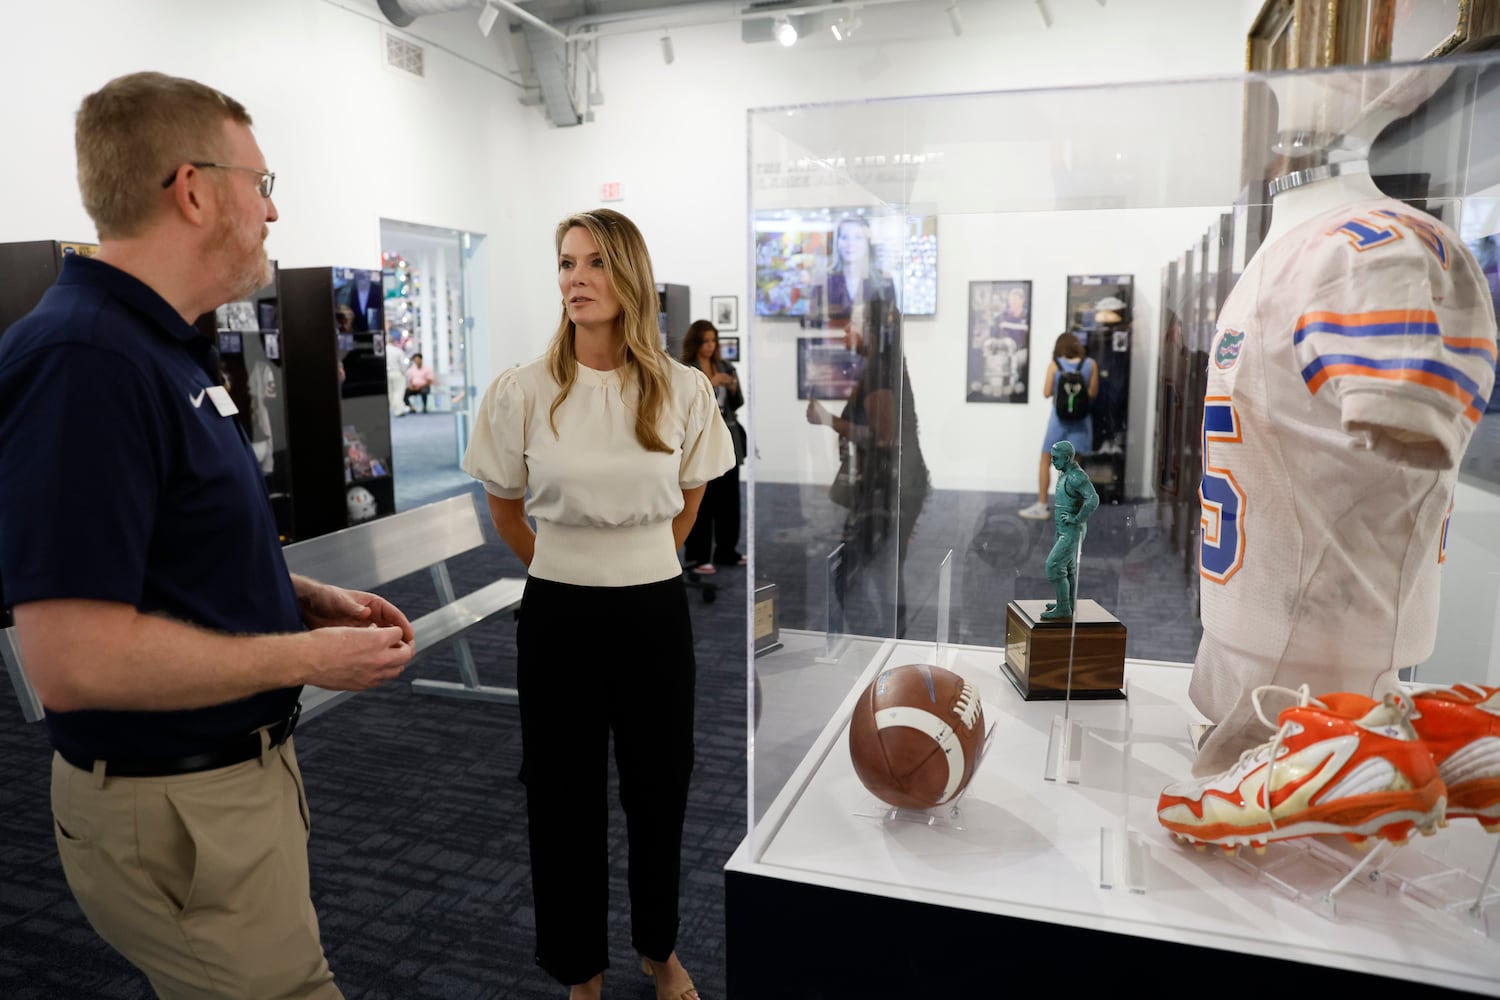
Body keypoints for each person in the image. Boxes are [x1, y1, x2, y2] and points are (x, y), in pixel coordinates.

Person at [0, 72, 416, 999]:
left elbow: (163, 555)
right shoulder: (86, 362)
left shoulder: (155, 347)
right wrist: (304, 654)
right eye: (260, 184)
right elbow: (73, 660)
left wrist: (295, 598)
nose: (273, 211)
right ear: (193, 190)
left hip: (217, 794)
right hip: (178, 806)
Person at [462, 208, 733, 1000]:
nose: (575, 279)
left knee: (660, 792)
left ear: (631, 278)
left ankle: (660, 949)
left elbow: (690, 501)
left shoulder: (682, 389)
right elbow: (505, 506)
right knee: (562, 800)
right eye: (566, 264)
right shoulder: (524, 389)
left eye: (594, 264)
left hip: (654, 615)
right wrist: (569, 567)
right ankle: (581, 970)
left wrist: (641, 561)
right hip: (559, 619)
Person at [806, 223, 930, 639]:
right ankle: (884, 646)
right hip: (890, 483)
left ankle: (879, 649)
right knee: (874, 571)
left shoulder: (879, 370)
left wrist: (827, 419)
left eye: (852, 324)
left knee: (862, 573)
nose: (845, 330)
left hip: (889, 485)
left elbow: (879, 437)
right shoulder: (881, 366)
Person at [680, 319, 746, 573]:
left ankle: (726, 551)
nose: (710, 346)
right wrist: (712, 382)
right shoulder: (687, 370)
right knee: (701, 500)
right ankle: (698, 556)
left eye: (713, 341)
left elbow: (737, 403)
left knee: (730, 501)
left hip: (729, 437)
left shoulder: (726, 366)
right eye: (705, 341)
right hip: (700, 441)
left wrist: (732, 385)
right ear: (696, 342)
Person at [1020, 331, 1098, 520]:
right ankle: (1073, 508)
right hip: (1081, 421)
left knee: (1046, 460)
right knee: (1075, 466)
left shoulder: (1054, 365)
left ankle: (1042, 505)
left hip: (1058, 421)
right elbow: (1093, 394)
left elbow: (1046, 392)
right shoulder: (1090, 364)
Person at [1040, 441, 1099, 620]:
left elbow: (1093, 499)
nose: (1052, 461)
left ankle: (1064, 608)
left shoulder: (1076, 477)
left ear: (1067, 458)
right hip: (1063, 529)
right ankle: (1065, 603)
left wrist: (1076, 519)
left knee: (1054, 566)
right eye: (1051, 457)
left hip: (1071, 530)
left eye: (1056, 458)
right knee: (1068, 567)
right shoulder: (1065, 473)